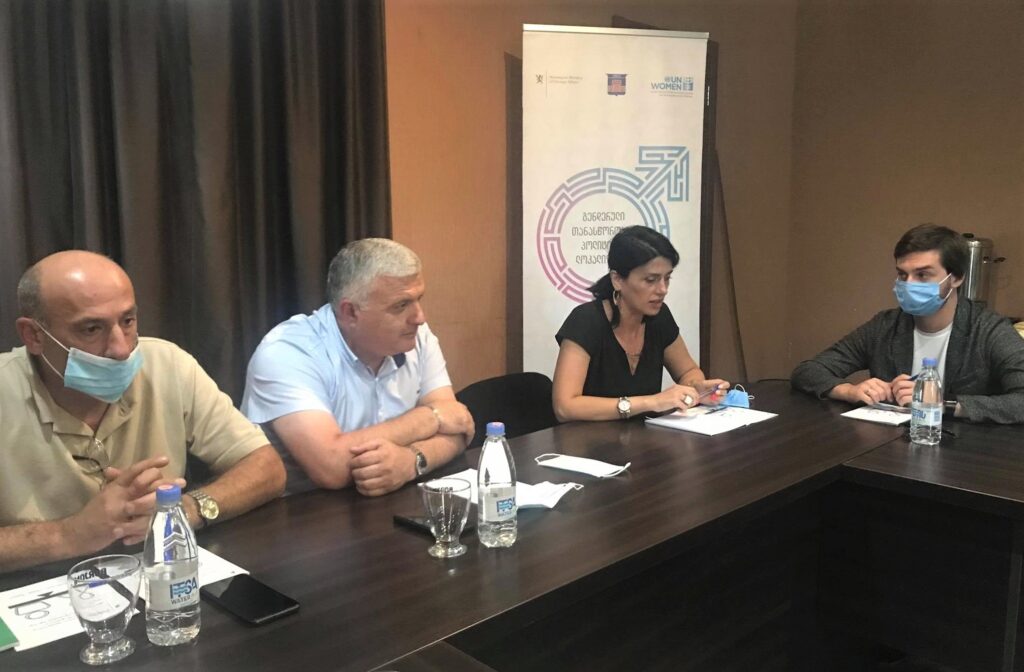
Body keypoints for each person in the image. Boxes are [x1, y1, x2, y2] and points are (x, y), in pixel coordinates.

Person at [0, 251, 285, 573]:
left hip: (158, 577)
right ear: (34, 336)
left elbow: (267, 467)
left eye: (127, 321)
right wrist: (69, 535)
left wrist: (184, 510)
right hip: (36, 588)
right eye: (91, 329)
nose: (121, 349)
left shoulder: (167, 364)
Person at [241, 238, 474, 496]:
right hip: (297, 511)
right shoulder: (287, 352)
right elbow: (330, 467)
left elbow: (459, 430)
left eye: (419, 299)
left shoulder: (416, 336)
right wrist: (431, 417)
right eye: (401, 305)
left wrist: (411, 461)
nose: (419, 317)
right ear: (350, 312)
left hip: (385, 501)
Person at [791, 224, 1024, 424]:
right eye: (903, 275)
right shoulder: (885, 326)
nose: (909, 284)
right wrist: (850, 390)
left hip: (966, 452)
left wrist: (944, 404)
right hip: (890, 447)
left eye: (922, 275)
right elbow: (808, 371)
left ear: (956, 278)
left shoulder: (989, 329)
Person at [551, 226, 729, 422]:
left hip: (646, 437)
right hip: (587, 438)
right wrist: (651, 402)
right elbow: (564, 407)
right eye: (651, 280)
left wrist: (695, 388)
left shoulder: (659, 317)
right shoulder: (586, 320)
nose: (663, 289)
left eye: (667, 278)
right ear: (617, 280)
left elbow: (688, 371)